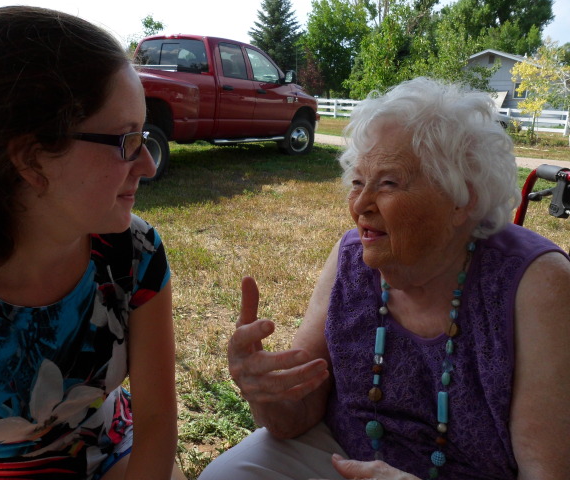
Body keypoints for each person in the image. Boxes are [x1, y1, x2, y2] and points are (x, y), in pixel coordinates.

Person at [199, 77, 570, 480]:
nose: (359, 205)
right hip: (344, 452)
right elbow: (295, 418)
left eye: (388, 183)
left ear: (463, 199)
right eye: (358, 182)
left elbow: (547, 471)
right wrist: (264, 391)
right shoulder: (352, 258)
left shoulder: (537, 283)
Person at [0, 7, 184, 480]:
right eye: (126, 139)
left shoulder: (135, 252)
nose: (148, 165)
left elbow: (155, 425)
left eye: (144, 135)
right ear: (31, 160)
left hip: (112, 456)